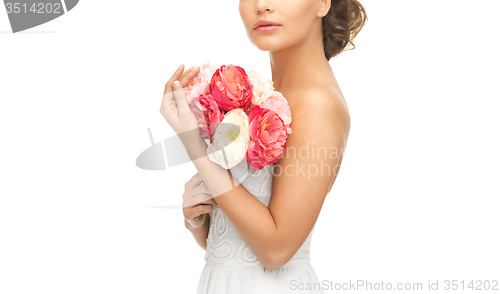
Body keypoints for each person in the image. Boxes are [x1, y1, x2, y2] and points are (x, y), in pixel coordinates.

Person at [160, 0, 367, 293]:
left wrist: (195, 146)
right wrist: (198, 219)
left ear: (323, 3)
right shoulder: (266, 95)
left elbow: (276, 250)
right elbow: (238, 244)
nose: (262, 5)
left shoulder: (317, 103)